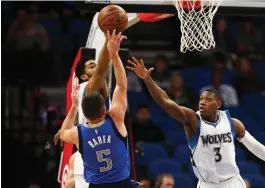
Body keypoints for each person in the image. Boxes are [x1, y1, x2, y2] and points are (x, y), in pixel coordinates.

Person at [127, 57, 265, 188]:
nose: (202, 103)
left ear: (218, 104)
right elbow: (166, 103)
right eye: (201, 99)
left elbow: (256, 148)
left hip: (232, 182)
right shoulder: (193, 120)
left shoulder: (233, 124)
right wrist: (147, 79)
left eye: (207, 99)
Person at [60, 31, 134, 188]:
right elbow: (119, 83)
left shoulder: (77, 131)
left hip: (92, 164)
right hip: (117, 179)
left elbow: (63, 133)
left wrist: (73, 109)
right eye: (90, 65)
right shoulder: (92, 90)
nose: (97, 67)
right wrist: (112, 51)